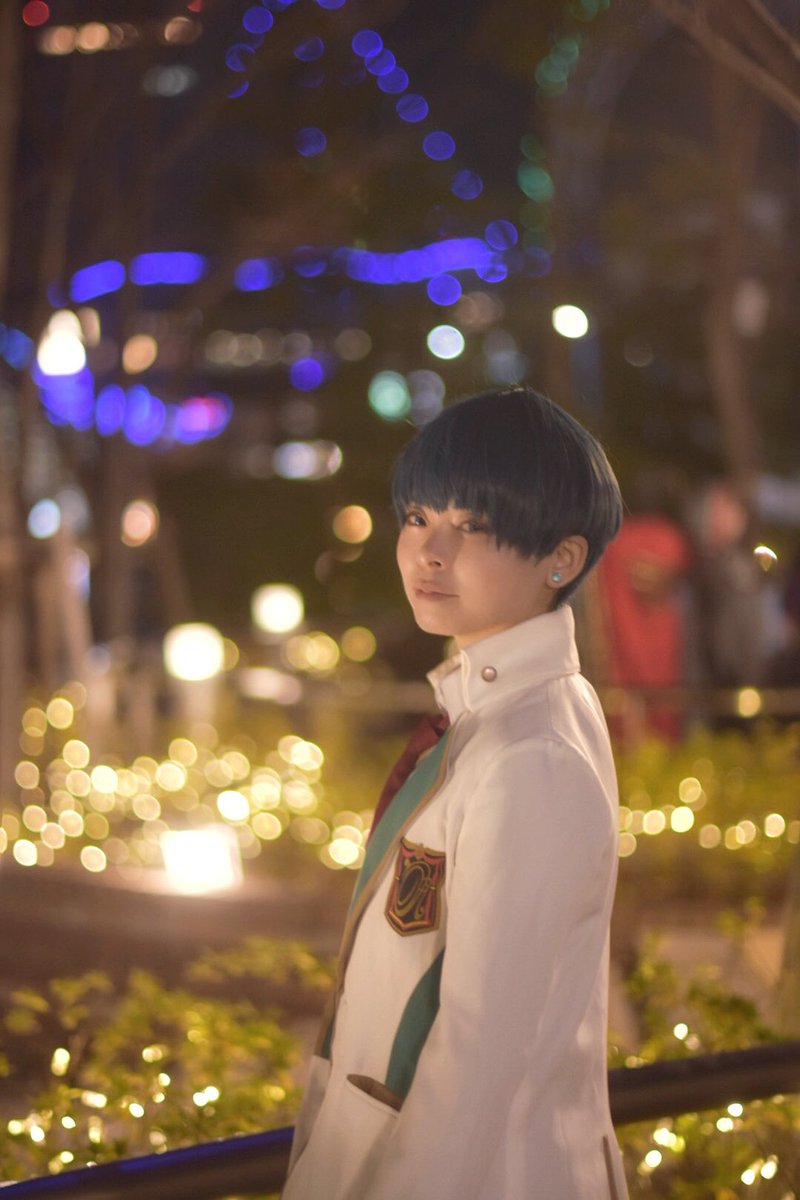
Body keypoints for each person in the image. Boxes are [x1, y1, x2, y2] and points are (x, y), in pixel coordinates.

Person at [282, 386, 628, 1200]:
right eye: (417, 517)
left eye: (472, 525)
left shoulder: (531, 753)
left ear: (561, 559)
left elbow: (478, 1055)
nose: (429, 553)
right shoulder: (497, 713)